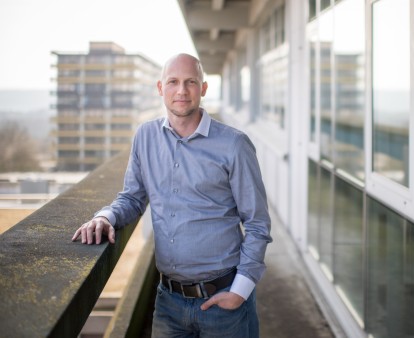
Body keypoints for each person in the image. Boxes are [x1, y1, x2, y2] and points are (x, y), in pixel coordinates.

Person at [72, 53, 272, 337]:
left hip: (224, 301)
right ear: (160, 88)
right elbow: (132, 198)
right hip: (168, 302)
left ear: (203, 88)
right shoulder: (145, 136)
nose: (181, 90)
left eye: (191, 82)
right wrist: (106, 216)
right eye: (173, 82)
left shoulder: (234, 145)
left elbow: (257, 223)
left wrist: (240, 291)